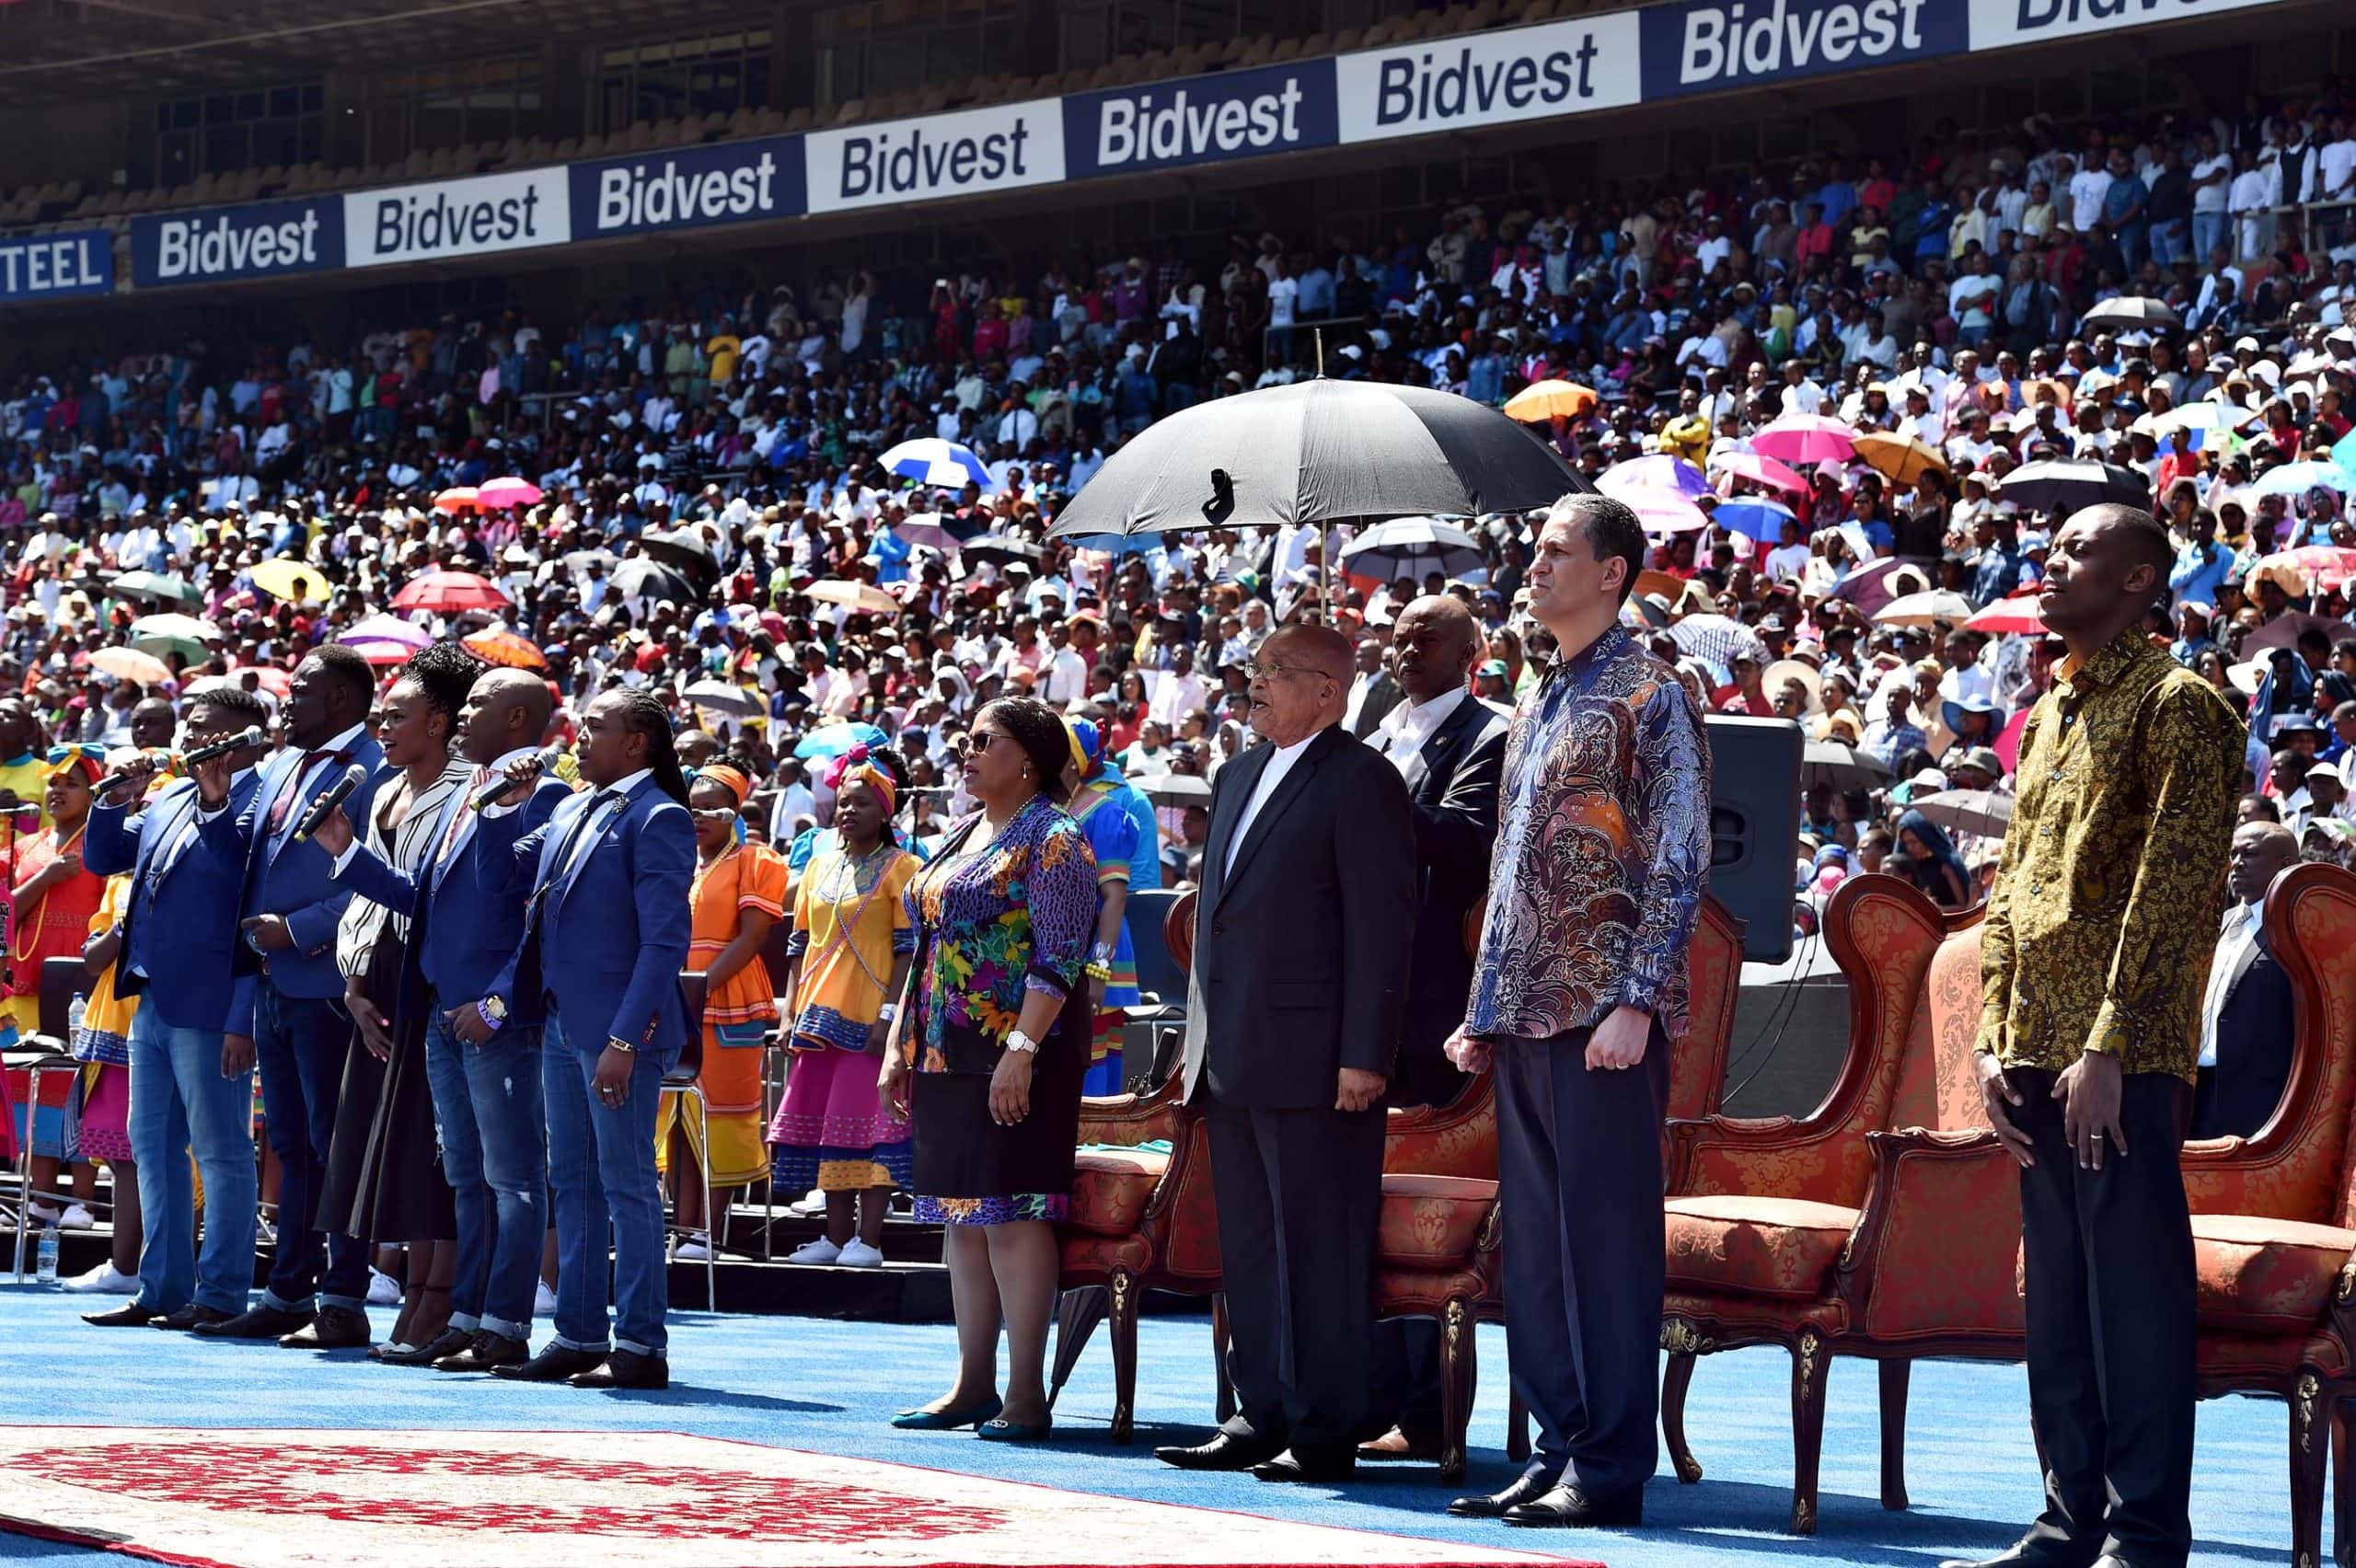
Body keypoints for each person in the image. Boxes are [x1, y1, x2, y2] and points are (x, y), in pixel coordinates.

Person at [1954, 503, 2245, 1568]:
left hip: (2119, 1057)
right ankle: (2066, 1518)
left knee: (2131, 1296)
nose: (2051, 561)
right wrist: (1988, 1038)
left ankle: (2144, 1533)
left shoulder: (2182, 708)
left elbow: (2171, 895)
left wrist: (2110, 1046)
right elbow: (2012, 889)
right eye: (2053, 545)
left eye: (2078, 550)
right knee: (2061, 1303)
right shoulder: (2046, 714)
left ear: (2139, 581)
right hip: (2031, 1044)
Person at [1447, 492, 1709, 1529]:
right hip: (1523, 1010)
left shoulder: (1653, 692)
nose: (1536, 563)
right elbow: (1512, 869)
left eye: (1558, 549)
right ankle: (1557, 1444)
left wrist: (1636, 999)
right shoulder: (1539, 696)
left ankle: (1606, 1464)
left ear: (1614, 572)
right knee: (1542, 1243)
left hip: (1602, 1014)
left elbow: (1681, 854)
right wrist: (1481, 1006)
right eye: (1535, 544)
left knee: (1604, 1242)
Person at [1156, 623, 1415, 1484]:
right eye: (1256, 669)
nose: (1257, 684)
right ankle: (1257, 1412)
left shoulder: (1362, 780)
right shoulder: (1233, 775)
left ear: (1330, 695)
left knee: (1321, 1246)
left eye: (1279, 673)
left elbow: (1383, 928)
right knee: (1254, 1248)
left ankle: (1323, 1427)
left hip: (1319, 1062)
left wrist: (1364, 1053)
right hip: (1232, 1054)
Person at [318, 666, 564, 1372]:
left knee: (512, 1180)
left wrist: (495, 1001)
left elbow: (528, 907)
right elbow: (418, 897)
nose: (464, 715)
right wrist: (345, 850)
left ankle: (505, 1324)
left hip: (490, 1018)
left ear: (518, 719)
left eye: (481, 703)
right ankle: (466, 1315)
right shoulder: (471, 797)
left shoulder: (541, 795)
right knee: (466, 1174)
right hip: (436, 1011)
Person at [884, 696, 1097, 1441]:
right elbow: (932, 943)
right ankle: (971, 1382)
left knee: (1012, 1213)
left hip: (1018, 1054)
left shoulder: (1055, 836)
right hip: (946, 1048)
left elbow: (1062, 953)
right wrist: (897, 1045)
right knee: (961, 1220)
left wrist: (1023, 1051)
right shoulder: (962, 834)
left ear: (1030, 759)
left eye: (986, 741)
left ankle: (1024, 1392)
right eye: (966, 738)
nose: (966, 751)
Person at [481, 687, 696, 1390]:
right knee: (570, 1180)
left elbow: (665, 939)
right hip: (561, 1020)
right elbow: (503, 869)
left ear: (636, 743)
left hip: (616, 1033)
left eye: (596, 727)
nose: (578, 736)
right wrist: (500, 804)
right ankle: (577, 1333)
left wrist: (626, 1040)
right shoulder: (573, 805)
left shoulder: (659, 816)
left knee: (626, 1182)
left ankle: (639, 1345)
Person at [191, 644, 388, 1349]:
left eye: (301, 690)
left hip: (335, 986)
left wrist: (299, 930)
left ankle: (342, 1297)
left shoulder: (375, 766)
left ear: (340, 699)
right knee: (293, 1144)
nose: (287, 702)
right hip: (276, 984)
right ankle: (288, 1289)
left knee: (338, 1144)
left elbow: (379, 881)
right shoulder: (278, 766)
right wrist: (215, 803)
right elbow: (242, 871)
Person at [1360, 593, 1509, 1465]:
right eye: (1400, 631)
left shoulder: (1489, 738)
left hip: (1434, 1016)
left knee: (1427, 1221)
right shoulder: (1382, 737)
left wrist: (1371, 791)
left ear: (1469, 653)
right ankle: (1369, 1398)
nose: (1406, 644)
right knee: (1367, 1218)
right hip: (1364, 1012)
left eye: (1427, 636)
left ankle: (1430, 1415)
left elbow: (1463, 842)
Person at [77, 687, 268, 1330]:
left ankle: (221, 1292)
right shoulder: (170, 797)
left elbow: (241, 903)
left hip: (212, 1006)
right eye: (189, 723)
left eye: (205, 726)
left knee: (221, 1151)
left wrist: (241, 1017)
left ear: (242, 739)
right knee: (151, 1146)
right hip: (149, 999)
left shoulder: (258, 803)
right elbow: (104, 856)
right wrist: (112, 798)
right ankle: (161, 1288)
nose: (191, 734)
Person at [318, 644, 481, 1365]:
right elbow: (364, 903)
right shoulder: (385, 790)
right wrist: (352, 984)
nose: (384, 727)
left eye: (399, 715)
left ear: (441, 722)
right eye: (381, 716)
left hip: (432, 978)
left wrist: (349, 854)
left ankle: (436, 1298)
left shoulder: (467, 792)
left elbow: (422, 896)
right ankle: (416, 1293)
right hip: (377, 981)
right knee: (380, 1148)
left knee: (428, 1146)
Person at [771, 746, 918, 1267]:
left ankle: (869, 1240)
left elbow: (909, 951)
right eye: (843, 802)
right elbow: (798, 945)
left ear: (885, 812)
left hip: (872, 1015)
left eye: (861, 803)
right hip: (818, 1016)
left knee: (868, 1125)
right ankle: (834, 1238)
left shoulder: (905, 869)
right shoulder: (817, 865)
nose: (848, 810)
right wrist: (790, 1012)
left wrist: (889, 1018)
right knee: (831, 1125)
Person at [657, 762, 787, 1261]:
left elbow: (753, 936)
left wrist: (700, 986)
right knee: (682, 1116)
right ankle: (685, 1231)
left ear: (736, 811)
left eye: (714, 807)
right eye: (694, 808)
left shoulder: (756, 860)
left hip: (729, 1002)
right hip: (679, 1001)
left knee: (721, 1115)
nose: (701, 817)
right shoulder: (680, 862)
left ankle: (707, 1231)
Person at [4, 746, 110, 1229]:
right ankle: (41, 1196)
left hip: (85, 986)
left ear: (93, 794)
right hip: (28, 985)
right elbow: (7, 915)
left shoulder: (106, 847)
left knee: (82, 1089)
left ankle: (83, 1202)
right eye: (54, 783)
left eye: (72, 784)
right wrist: (45, 877)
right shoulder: (24, 849)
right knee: (37, 1089)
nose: (57, 791)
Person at [2193, 821, 2299, 1140]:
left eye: (2249, 854)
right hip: (2197, 1092)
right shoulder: (2218, 924)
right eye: (2233, 853)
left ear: (2284, 864)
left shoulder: (2298, 927)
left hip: (2258, 1102)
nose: (2236, 863)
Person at [1060, 719, 1141, 1097]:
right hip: (1062, 952)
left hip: (1096, 951)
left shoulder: (1103, 814)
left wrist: (1099, 968)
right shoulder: (1045, 809)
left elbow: (1114, 897)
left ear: (1074, 763)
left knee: (1092, 1067)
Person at [1897, 808, 1974, 909]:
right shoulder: (1910, 869)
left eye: (1913, 842)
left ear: (1927, 837)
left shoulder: (1946, 866)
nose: (1910, 848)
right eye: (1906, 843)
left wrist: (1938, 909)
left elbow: (1964, 906)